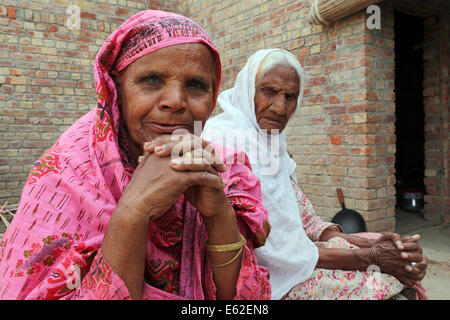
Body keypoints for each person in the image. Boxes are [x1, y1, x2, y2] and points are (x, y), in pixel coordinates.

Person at [0, 10, 271, 300]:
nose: (175, 102)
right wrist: (134, 210)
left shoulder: (223, 171)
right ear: (116, 88)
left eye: (196, 85)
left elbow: (244, 300)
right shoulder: (65, 176)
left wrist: (218, 214)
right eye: (151, 80)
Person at [202, 48, 428, 300]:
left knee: (392, 255)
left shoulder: (271, 144)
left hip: (295, 259)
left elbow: (305, 220)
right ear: (247, 91)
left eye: (290, 96)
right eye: (269, 91)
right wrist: (371, 257)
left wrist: (378, 247)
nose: (280, 107)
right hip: (256, 278)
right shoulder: (224, 144)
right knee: (382, 281)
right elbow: (271, 248)